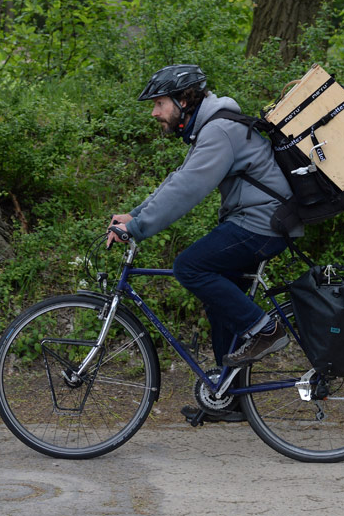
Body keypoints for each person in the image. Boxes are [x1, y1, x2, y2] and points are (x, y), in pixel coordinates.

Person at [106, 64, 301, 423]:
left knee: (189, 266)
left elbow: (187, 191)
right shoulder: (211, 128)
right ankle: (230, 398)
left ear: (184, 100)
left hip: (262, 224)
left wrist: (138, 228)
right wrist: (134, 216)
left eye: (159, 103)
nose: (154, 112)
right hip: (259, 221)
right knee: (221, 304)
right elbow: (178, 180)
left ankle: (266, 329)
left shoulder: (219, 131)